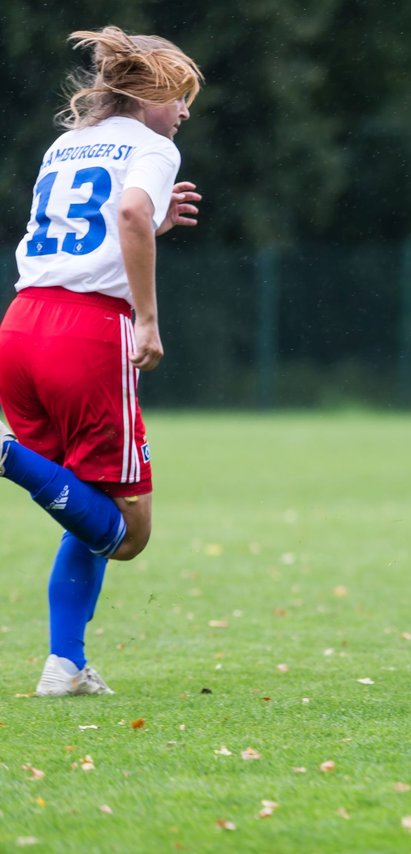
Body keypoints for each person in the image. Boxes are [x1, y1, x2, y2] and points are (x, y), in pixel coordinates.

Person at [0, 26, 203, 696]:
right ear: (153, 94)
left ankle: (65, 664)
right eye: (181, 99)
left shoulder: (68, 143)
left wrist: (152, 227)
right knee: (129, 532)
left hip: (23, 325)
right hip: (87, 335)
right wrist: (147, 318)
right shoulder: (153, 146)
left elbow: (101, 226)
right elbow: (130, 211)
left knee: (92, 506)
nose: (184, 114)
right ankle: (4, 455)